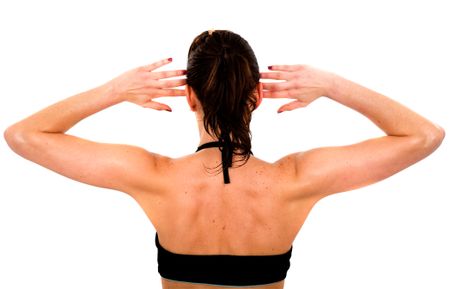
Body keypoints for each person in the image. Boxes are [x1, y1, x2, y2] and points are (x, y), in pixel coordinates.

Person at [4, 30, 445, 289]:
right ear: (256, 96)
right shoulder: (297, 180)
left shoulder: (152, 177)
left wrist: (114, 91)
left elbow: (22, 136)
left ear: (190, 97)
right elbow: (425, 136)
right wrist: (332, 86)